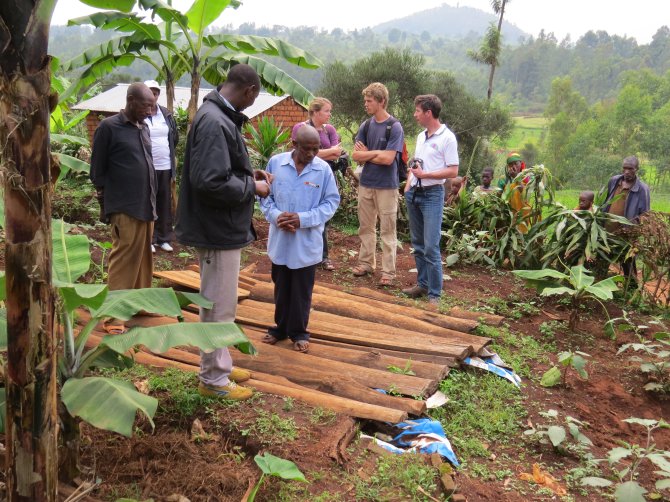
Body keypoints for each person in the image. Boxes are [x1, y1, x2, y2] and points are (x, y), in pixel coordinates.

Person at [175, 64, 272, 401]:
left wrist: (247, 173)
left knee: (216, 302)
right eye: (253, 98)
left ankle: (220, 364)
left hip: (218, 226)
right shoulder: (215, 121)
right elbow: (210, 181)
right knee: (219, 306)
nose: (251, 104)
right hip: (217, 228)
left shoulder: (215, 115)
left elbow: (218, 169)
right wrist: (254, 187)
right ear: (249, 91)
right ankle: (214, 379)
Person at [260, 125, 340, 353]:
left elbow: (331, 202)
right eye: (307, 149)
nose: (312, 154)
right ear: (294, 145)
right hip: (280, 238)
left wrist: (302, 219)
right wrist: (276, 216)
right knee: (281, 285)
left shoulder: (323, 170)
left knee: (302, 290)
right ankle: (280, 328)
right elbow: (266, 197)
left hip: (306, 240)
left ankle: (299, 331)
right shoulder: (276, 164)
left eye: (316, 149)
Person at [90, 82, 157, 335]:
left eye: (152, 106)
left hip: (146, 204)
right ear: (130, 100)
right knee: (124, 259)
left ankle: (138, 305)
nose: (150, 111)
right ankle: (113, 316)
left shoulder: (143, 127)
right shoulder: (109, 127)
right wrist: (107, 204)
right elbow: (97, 171)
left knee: (143, 259)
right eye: (145, 105)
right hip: (124, 205)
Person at [402, 95, 459, 304]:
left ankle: (435, 294)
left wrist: (426, 176)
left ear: (428, 113)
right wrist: (408, 187)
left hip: (433, 194)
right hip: (414, 193)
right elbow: (416, 164)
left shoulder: (447, 138)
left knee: (431, 246)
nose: (415, 115)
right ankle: (422, 284)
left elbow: (453, 170)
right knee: (417, 243)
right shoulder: (420, 136)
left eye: (418, 111)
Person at [351, 82, 405, 287]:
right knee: (365, 227)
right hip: (366, 184)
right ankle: (366, 263)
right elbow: (356, 155)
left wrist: (369, 154)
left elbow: (389, 159)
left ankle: (388, 272)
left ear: (381, 102)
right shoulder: (366, 125)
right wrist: (376, 153)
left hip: (387, 187)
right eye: (365, 100)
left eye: (369, 100)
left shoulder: (395, 127)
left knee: (388, 231)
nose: (366, 104)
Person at [291, 97, 343, 271]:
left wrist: (323, 153)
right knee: (303, 211)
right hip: (305, 176)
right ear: (315, 112)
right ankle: (302, 252)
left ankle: (322, 256)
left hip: (325, 177)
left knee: (323, 215)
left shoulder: (330, 130)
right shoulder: (301, 128)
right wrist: (327, 153)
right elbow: (299, 153)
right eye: (327, 111)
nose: (329, 114)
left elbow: (337, 154)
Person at [144, 80, 179, 253]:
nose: (153, 95)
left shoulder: (166, 114)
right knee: (148, 203)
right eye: (150, 92)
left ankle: (164, 238)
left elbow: (175, 139)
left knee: (164, 203)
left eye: (156, 92)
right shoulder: (139, 114)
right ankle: (149, 238)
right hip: (146, 168)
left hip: (165, 165)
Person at [603, 156, 651, 283]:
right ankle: (599, 285)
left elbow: (645, 214)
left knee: (627, 262)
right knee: (603, 259)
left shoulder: (642, 189)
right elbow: (606, 201)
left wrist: (632, 230)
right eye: (624, 168)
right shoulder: (614, 181)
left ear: (637, 169)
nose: (627, 172)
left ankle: (631, 288)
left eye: (630, 169)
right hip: (607, 231)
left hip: (625, 234)